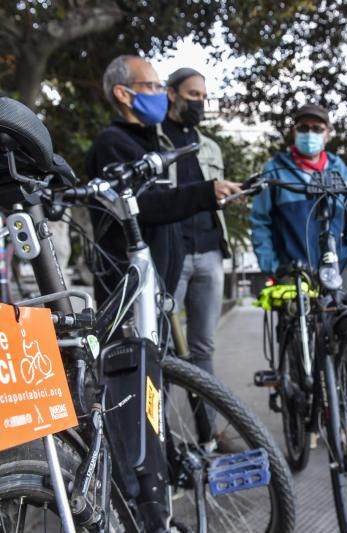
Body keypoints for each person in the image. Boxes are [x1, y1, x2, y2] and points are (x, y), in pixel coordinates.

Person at [85, 55, 240, 445]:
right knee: (138, 376)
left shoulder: (149, 141)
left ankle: (172, 446)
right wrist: (205, 193)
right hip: (128, 286)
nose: (159, 96)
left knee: (165, 363)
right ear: (123, 94)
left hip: (158, 283)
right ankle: (140, 457)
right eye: (152, 87)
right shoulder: (113, 144)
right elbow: (144, 204)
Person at [157, 67, 230, 387]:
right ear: (172, 94)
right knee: (165, 346)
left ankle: (207, 433)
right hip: (173, 253)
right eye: (192, 95)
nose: (199, 103)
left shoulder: (210, 146)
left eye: (203, 96)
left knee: (203, 347)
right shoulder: (154, 139)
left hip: (210, 251)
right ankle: (161, 436)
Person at [250, 104, 347, 288]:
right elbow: (260, 223)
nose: (310, 133)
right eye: (303, 128)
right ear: (294, 132)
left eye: (317, 129)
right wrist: (273, 267)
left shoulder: (344, 174)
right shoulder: (274, 171)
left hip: (338, 273)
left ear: (327, 133)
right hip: (291, 273)